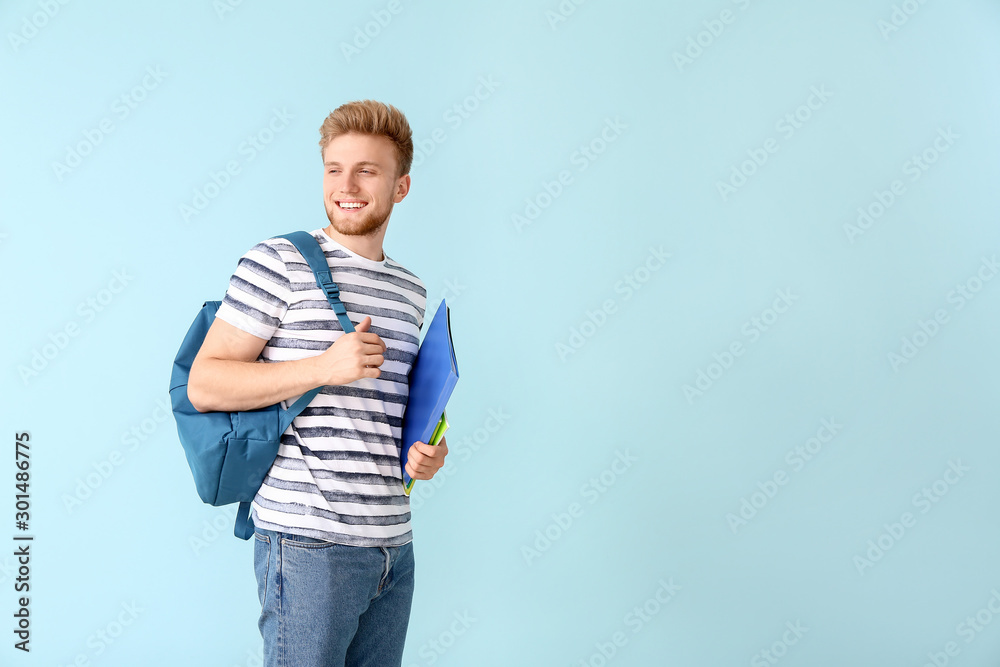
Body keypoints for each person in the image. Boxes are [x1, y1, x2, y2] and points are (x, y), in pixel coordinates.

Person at [186, 99, 449, 667]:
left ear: (401, 187)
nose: (346, 186)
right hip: (308, 544)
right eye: (334, 169)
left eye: (366, 171)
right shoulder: (278, 262)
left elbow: (389, 412)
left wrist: (429, 451)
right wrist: (323, 367)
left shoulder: (411, 291)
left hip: (393, 544)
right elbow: (204, 384)